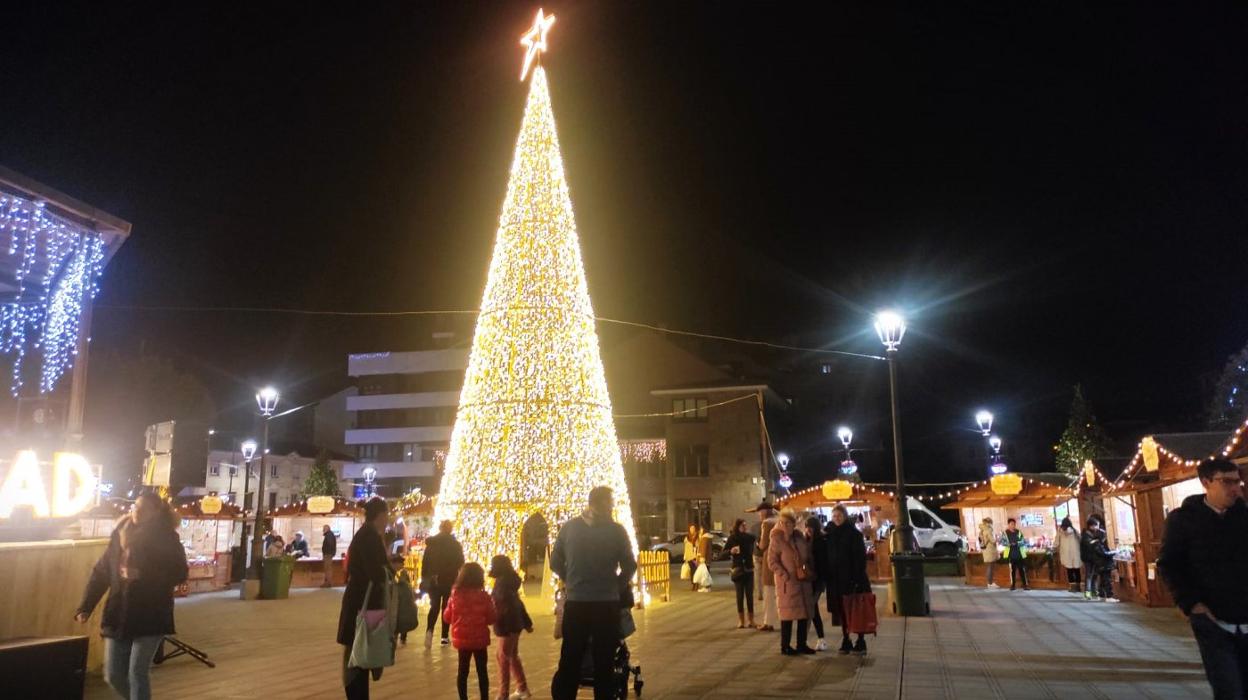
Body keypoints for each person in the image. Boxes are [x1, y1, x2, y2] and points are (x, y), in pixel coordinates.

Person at [75, 492, 188, 700]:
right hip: (119, 612)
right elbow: (102, 572)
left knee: (137, 672)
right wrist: (85, 607)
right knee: (113, 675)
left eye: (142, 508)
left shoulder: (166, 537)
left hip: (151, 612)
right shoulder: (120, 533)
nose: (136, 511)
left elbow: (180, 572)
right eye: (135, 506)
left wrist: (143, 574)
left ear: (155, 513)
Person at [1158, 459, 1248, 699]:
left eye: (1237, 481)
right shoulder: (1184, 520)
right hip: (1212, 621)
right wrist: (1192, 604)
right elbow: (1169, 564)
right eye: (1227, 481)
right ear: (1206, 482)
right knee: (1229, 689)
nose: (1235, 488)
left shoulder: (1244, 517)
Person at [549, 486, 637, 700]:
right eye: (610, 502)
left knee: (570, 656)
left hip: (577, 603)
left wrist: (571, 579)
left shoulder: (569, 528)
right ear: (603, 503)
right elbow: (630, 565)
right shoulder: (617, 531)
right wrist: (615, 586)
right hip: (605, 604)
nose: (613, 506)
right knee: (603, 661)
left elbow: (554, 561)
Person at [336, 497, 391, 700]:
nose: (388, 519)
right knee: (358, 654)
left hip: (360, 602)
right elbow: (375, 572)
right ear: (381, 515)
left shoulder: (367, 534)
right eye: (387, 515)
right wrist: (389, 573)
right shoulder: (369, 537)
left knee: (359, 654)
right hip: (362, 604)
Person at [443, 562, 497, 700]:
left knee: (462, 671)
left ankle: (463, 698)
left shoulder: (455, 596)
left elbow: (447, 617)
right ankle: (484, 697)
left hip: (462, 639)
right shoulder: (484, 596)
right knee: (482, 671)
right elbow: (491, 617)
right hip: (480, 639)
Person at [767, 508, 816, 656]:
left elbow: (806, 555)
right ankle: (785, 646)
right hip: (787, 584)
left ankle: (801, 644)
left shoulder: (799, 537)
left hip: (802, 581)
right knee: (787, 616)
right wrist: (784, 575)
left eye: (788, 522)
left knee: (803, 615)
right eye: (782, 522)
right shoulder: (777, 539)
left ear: (793, 524)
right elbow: (772, 561)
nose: (785, 525)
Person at [825, 504, 870, 655]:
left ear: (844, 516)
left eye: (839, 516)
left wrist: (857, 579)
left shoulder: (854, 534)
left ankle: (860, 640)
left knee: (856, 610)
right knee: (842, 611)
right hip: (836, 580)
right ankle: (846, 639)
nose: (836, 519)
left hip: (852, 579)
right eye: (834, 516)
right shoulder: (831, 535)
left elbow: (860, 559)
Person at [489, 555, 533, 700]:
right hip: (515, 623)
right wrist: (526, 622)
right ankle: (522, 687)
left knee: (502, 656)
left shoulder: (502, 584)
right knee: (511, 655)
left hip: (507, 624)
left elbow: (500, 605)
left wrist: (493, 617)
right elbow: (517, 603)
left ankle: (503, 693)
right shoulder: (510, 582)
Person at [422, 519, 466, 648]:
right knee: (446, 608)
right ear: (450, 529)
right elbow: (460, 562)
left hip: (434, 580)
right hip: (449, 579)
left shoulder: (432, 544)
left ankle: (429, 632)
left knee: (434, 606)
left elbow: (425, 562)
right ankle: (444, 637)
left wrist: (425, 577)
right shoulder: (455, 545)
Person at [723, 518, 757, 629]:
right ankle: (741, 621)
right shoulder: (732, 538)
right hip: (738, 570)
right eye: (743, 525)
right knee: (739, 596)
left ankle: (751, 620)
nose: (745, 527)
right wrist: (730, 551)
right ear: (737, 527)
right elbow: (722, 553)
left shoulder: (749, 538)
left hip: (749, 569)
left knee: (750, 596)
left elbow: (759, 543)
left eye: (745, 525)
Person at [752, 502, 779, 632]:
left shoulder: (767, 523)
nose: (759, 515)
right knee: (780, 593)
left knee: (768, 592)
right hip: (782, 559)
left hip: (770, 559)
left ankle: (768, 622)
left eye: (760, 513)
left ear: (764, 512)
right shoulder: (780, 521)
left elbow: (763, 545)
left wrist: (758, 544)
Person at [804, 516, 829, 651]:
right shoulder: (806, 540)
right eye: (807, 527)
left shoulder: (821, 541)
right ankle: (820, 639)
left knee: (810, 609)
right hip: (808, 580)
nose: (808, 529)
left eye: (811, 527)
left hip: (818, 580)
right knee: (813, 610)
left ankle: (804, 640)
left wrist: (820, 578)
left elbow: (823, 563)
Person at [1080, 516, 1115, 601]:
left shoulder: (1092, 534)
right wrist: (1098, 541)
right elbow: (1090, 545)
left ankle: (1094, 592)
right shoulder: (1086, 535)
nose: (1098, 528)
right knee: (1089, 575)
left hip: (1094, 558)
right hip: (1088, 558)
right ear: (1091, 526)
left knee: (1094, 575)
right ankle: (1087, 593)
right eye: (1096, 526)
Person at [1053, 517, 1082, 593]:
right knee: (1077, 570)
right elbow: (1081, 539)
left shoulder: (1060, 531)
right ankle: (1078, 586)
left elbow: (1056, 542)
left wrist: (1053, 548)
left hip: (1066, 554)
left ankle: (1072, 587)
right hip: (1076, 553)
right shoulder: (1075, 531)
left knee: (1069, 570)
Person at [1001, 518, 1029, 591]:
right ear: (1008, 525)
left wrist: (1017, 543)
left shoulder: (1018, 532)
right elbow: (1002, 542)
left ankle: (1025, 585)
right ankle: (1013, 585)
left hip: (1019, 554)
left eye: (1014, 524)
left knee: (1021, 570)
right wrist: (1009, 544)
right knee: (1012, 571)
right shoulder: (1005, 533)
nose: (1013, 526)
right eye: (1011, 524)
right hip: (1010, 555)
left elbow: (1023, 541)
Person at [978, 517, 1000, 588]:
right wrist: (998, 538)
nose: (991, 524)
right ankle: (990, 583)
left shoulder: (982, 530)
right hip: (990, 550)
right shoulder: (988, 530)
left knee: (989, 567)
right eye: (991, 522)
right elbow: (993, 541)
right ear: (989, 523)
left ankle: (989, 583)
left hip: (986, 550)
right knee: (990, 567)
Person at [683, 523, 699, 592]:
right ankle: (693, 584)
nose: (692, 529)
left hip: (694, 557)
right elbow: (685, 548)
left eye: (693, 528)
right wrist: (685, 557)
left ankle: (696, 584)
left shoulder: (697, 537)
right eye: (691, 528)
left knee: (695, 570)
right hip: (689, 556)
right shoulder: (687, 537)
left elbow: (698, 547)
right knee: (692, 571)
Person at [322, 524, 338, 588]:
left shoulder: (329, 535)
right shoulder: (330, 535)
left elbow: (330, 544)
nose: (323, 530)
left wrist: (327, 552)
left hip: (328, 554)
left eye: (324, 529)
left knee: (328, 569)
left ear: (327, 529)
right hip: (329, 554)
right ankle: (327, 583)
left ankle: (328, 583)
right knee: (328, 569)